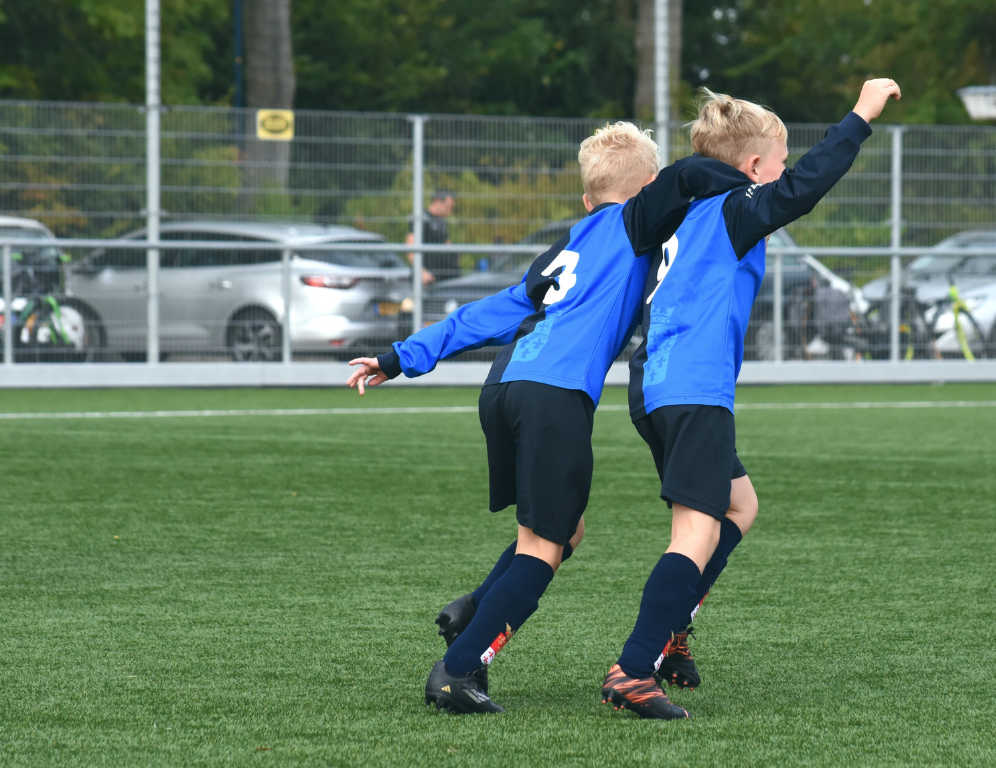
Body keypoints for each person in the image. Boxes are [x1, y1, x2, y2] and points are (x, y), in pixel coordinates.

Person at [345, 123, 746, 715]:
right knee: (543, 547)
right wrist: (746, 183)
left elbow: (492, 311)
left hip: (504, 386)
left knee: (564, 529)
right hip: (554, 397)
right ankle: (457, 672)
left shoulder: (567, 247)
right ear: (648, 191)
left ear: (587, 199)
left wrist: (399, 356)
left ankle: (474, 611)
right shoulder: (639, 222)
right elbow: (687, 176)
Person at [601, 80, 901, 720]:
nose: (785, 170)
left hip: (654, 384)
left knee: (740, 504)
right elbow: (804, 188)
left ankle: (673, 631)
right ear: (754, 168)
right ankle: (633, 669)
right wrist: (859, 115)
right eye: (780, 159)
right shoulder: (732, 208)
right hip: (691, 387)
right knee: (697, 528)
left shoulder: (687, 214)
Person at [404, 190, 460, 283]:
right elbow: (410, 248)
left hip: (446, 277)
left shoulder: (442, 221)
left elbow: (447, 244)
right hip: (429, 278)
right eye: (448, 207)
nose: (450, 212)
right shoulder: (422, 218)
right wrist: (421, 272)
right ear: (438, 201)